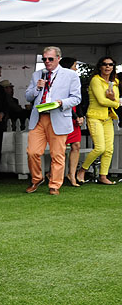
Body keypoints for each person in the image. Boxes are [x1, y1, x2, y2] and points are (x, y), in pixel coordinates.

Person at [25, 46, 82, 195]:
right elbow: (28, 96)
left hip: (58, 116)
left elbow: (76, 98)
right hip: (39, 117)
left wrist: (62, 103)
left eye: (50, 59)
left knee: (57, 154)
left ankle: (55, 185)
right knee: (32, 152)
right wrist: (37, 88)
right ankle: (37, 179)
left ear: (58, 59)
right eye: (44, 59)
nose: (47, 62)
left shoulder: (71, 75)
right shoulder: (37, 74)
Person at [76, 55, 119, 186]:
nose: (107, 67)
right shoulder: (95, 80)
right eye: (105, 64)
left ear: (113, 67)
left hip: (107, 118)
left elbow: (112, 99)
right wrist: (115, 102)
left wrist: (112, 100)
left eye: (110, 64)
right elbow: (101, 100)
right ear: (100, 66)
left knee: (109, 149)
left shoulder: (115, 82)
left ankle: (103, 176)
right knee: (100, 148)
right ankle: (82, 170)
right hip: (94, 117)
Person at [59, 57, 84, 187]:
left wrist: (80, 115)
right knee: (61, 148)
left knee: (76, 146)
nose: (76, 68)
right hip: (63, 116)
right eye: (75, 66)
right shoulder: (60, 81)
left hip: (74, 117)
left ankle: (72, 175)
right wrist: (75, 116)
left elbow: (78, 99)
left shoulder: (75, 80)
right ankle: (55, 174)